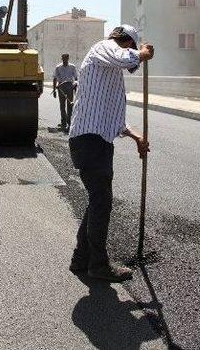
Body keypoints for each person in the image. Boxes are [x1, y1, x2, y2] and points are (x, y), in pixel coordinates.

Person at [67, 25, 154, 282]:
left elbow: (115, 119)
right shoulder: (104, 48)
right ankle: (98, 265)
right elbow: (124, 57)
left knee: (98, 200)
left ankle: (80, 259)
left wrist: (136, 137)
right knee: (102, 201)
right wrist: (144, 53)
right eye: (131, 47)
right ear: (125, 41)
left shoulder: (109, 74)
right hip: (90, 140)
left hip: (96, 140)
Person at [52, 53, 78, 132]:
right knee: (62, 105)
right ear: (62, 59)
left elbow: (76, 78)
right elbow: (55, 78)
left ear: (68, 58)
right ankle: (63, 122)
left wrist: (76, 88)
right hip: (61, 88)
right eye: (63, 58)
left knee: (70, 105)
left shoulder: (72, 67)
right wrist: (54, 90)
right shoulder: (58, 67)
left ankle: (69, 122)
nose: (65, 60)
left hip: (70, 86)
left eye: (66, 58)